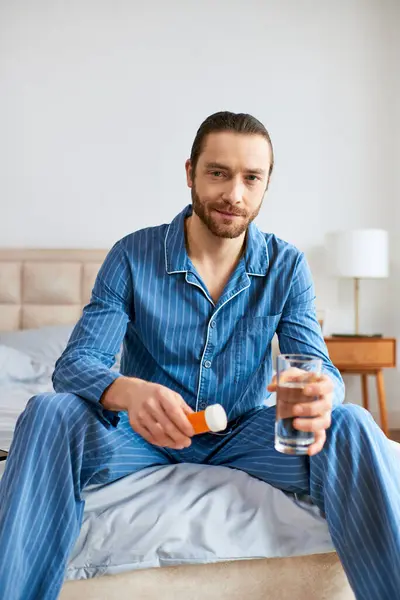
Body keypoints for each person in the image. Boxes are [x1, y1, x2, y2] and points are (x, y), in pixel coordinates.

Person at [0, 111, 399, 600]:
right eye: (218, 173)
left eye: (251, 178)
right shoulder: (131, 255)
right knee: (48, 411)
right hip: (144, 436)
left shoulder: (287, 264)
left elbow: (318, 366)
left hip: (248, 435)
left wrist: (324, 395)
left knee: (354, 422)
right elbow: (76, 365)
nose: (234, 193)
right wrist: (131, 391)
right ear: (190, 173)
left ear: (265, 186)